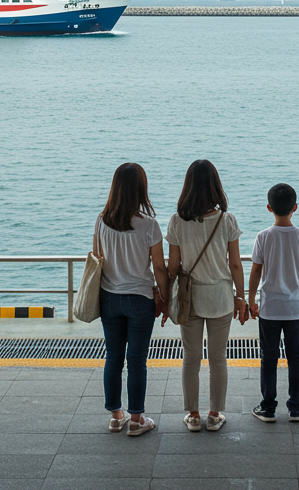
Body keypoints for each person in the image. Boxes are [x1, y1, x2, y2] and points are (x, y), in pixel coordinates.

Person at [164, 159, 247, 432]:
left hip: (190, 300)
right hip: (221, 296)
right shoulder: (227, 220)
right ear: (215, 186)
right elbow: (235, 264)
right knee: (218, 358)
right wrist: (241, 297)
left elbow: (173, 267)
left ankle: (194, 415)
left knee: (190, 358)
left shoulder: (177, 222)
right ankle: (214, 415)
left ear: (187, 186)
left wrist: (166, 299)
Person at [96, 162, 167, 437]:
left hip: (109, 298)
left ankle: (116, 416)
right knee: (137, 361)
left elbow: (98, 258)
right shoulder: (149, 225)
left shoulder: (101, 220)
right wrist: (165, 297)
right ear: (141, 189)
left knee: (113, 356)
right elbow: (159, 268)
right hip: (139, 299)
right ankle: (137, 419)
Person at [247, 182, 299, 423]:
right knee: (296, 357)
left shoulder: (263, 237)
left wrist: (250, 299)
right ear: (295, 207)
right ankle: (296, 407)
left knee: (269, 358)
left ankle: (268, 407)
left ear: (269, 208)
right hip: (296, 308)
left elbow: (256, 271)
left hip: (270, 308)